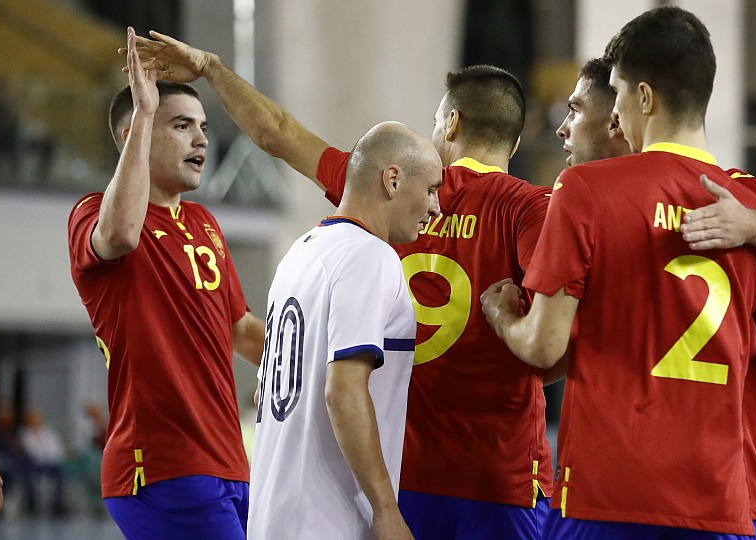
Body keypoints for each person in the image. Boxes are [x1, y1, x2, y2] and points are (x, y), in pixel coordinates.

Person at [129, 33, 555, 537]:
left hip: (396, 475)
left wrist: (212, 69)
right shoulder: (531, 208)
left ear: (451, 124)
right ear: (517, 141)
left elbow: (277, 132)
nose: (436, 201)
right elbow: (553, 345)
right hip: (497, 476)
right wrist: (504, 328)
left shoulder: (370, 204)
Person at [482, 7, 756, 538]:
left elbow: (545, 349)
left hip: (606, 492)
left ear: (642, 98)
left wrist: (503, 318)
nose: (611, 116)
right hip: (722, 494)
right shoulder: (754, 212)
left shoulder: (587, 193)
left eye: (614, 97)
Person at [558, 56, 756, 537]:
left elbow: (544, 352)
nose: (563, 129)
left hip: (616, 492)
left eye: (575, 110)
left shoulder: (583, 202)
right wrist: (727, 332)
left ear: (623, 118)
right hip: (735, 493)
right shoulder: (741, 201)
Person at [68, 28, 264, 539]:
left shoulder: (204, 223)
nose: (202, 139)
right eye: (182, 125)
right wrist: (146, 111)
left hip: (229, 463)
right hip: (157, 466)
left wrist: (328, 367)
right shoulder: (92, 213)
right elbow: (120, 233)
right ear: (142, 128)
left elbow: (242, 330)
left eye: (201, 127)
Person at [250, 121, 441, 540]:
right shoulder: (370, 256)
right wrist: (386, 509)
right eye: (430, 189)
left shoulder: (298, 254)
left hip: (271, 514)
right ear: (392, 179)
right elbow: (343, 391)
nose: (436, 207)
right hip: (327, 520)